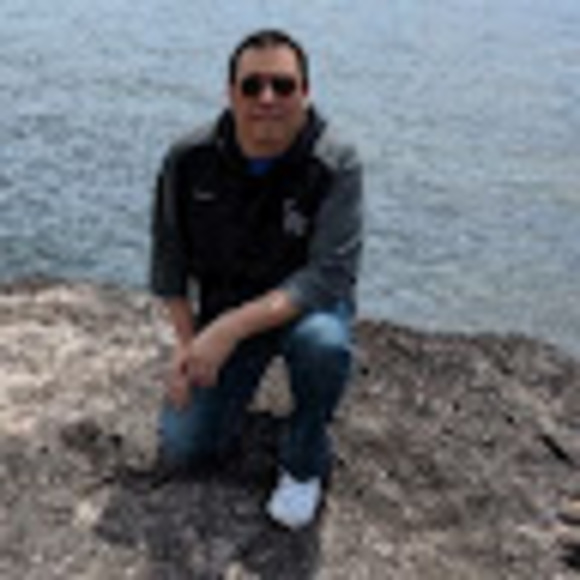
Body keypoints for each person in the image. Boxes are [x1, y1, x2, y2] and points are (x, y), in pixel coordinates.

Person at [150, 29, 363, 529]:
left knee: (324, 345)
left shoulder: (335, 161)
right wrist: (188, 348)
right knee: (185, 446)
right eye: (252, 86)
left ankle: (305, 456)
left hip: (306, 309)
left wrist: (228, 330)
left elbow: (329, 274)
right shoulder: (188, 159)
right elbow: (169, 264)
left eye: (283, 86)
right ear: (231, 93)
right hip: (227, 306)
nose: (267, 99)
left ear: (305, 93)